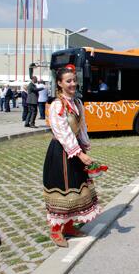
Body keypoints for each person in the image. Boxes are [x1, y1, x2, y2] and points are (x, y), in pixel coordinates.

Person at [43, 65, 100, 247]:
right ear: (59, 83)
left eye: (74, 80)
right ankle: (55, 230)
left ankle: (68, 226)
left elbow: (81, 127)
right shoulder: (57, 105)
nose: (73, 84)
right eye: (68, 81)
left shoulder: (77, 103)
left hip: (75, 150)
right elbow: (63, 133)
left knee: (76, 188)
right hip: (61, 152)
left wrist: (85, 146)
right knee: (62, 190)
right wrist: (79, 154)